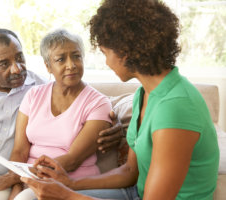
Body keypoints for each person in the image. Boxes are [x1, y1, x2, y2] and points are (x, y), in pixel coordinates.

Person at [21, 0, 220, 200]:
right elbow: (129, 171)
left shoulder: (175, 107)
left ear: (124, 53)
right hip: (136, 192)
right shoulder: (144, 94)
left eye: (106, 53)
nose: (106, 62)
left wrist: (68, 196)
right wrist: (70, 183)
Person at [0, 28, 123, 200]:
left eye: (20, 58)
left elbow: (74, 151)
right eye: (4, 63)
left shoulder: (35, 87)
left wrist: (117, 125)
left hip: (7, 176)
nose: (17, 69)